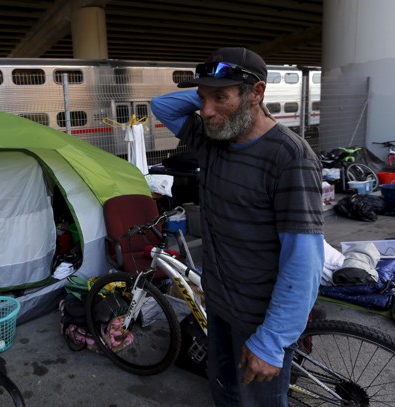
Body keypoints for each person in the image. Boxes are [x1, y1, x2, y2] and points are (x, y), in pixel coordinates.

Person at [151, 47, 324, 406]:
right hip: (218, 302)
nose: (207, 110)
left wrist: (272, 340)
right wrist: (211, 87)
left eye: (220, 98)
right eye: (202, 99)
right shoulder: (215, 137)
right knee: (225, 393)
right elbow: (161, 105)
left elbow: (303, 259)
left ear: (257, 93)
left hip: (260, 320)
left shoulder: (290, 157)